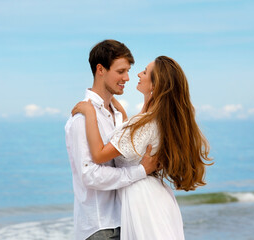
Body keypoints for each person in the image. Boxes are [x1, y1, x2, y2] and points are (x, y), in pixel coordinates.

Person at [72, 56, 212, 239]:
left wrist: (90, 113)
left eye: (145, 72)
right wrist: (116, 108)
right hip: (147, 195)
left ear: (156, 85)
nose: (137, 74)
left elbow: (99, 155)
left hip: (143, 199)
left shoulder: (146, 123)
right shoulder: (149, 118)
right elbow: (130, 136)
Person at [65, 40, 158, 240]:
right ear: (101, 69)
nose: (127, 77)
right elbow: (89, 175)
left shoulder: (116, 115)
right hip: (101, 227)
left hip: (127, 220)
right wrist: (141, 171)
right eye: (120, 71)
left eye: (128, 71)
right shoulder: (82, 117)